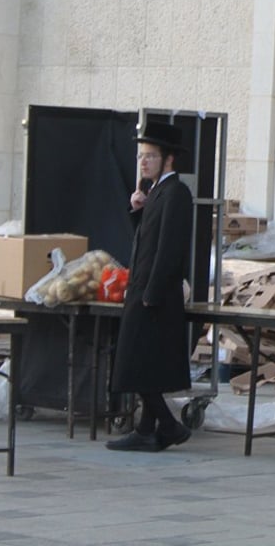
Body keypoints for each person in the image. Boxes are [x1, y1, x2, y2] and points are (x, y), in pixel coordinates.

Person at [106, 121, 194, 452]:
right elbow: (146, 239)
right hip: (142, 289)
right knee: (144, 364)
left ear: (168, 159)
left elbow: (170, 248)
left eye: (151, 156)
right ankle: (146, 430)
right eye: (142, 156)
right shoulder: (157, 192)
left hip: (154, 294)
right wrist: (137, 209)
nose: (143, 162)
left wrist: (152, 293)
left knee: (135, 362)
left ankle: (169, 426)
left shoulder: (176, 193)